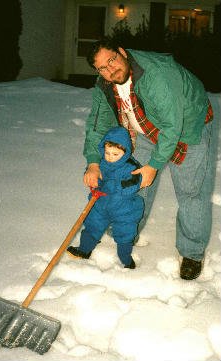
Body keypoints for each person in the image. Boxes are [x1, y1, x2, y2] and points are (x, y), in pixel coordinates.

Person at [82, 37, 214, 280]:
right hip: (145, 127)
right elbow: (98, 123)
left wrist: (153, 165)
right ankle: (127, 231)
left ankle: (192, 253)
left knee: (191, 191)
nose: (110, 70)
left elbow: (172, 127)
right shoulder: (104, 83)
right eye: (102, 68)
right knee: (134, 185)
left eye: (112, 60)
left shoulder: (156, 74)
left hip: (187, 125)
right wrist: (92, 161)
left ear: (122, 52)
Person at [67, 126, 144, 269]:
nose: (110, 157)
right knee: (92, 226)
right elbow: (92, 172)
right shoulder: (101, 162)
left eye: (115, 154)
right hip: (100, 204)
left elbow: (134, 183)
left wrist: (109, 185)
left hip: (123, 208)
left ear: (125, 151)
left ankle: (126, 259)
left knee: (125, 234)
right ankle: (84, 250)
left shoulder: (131, 166)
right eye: (107, 153)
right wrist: (93, 178)